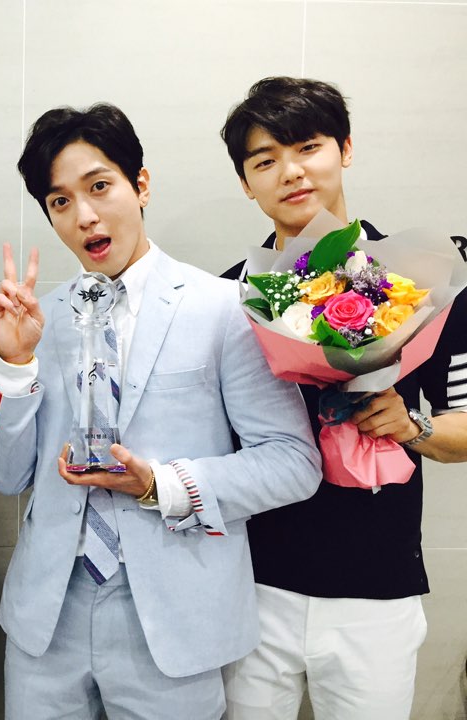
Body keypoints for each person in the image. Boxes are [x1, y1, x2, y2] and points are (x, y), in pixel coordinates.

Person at [0, 102, 322, 720]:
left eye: (99, 186)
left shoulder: (223, 307)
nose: (84, 215)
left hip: (175, 616)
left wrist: (161, 484)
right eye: (59, 201)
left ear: (142, 185)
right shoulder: (34, 321)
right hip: (47, 618)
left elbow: (294, 462)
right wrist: (16, 365)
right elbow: (6, 474)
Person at [219, 76, 467, 720]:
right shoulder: (226, 296)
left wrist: (411, 426)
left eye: (308, 147)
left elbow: (464, 430)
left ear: (345, 148)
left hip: (375, 589)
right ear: (246, 183)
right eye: (265, 161)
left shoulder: (419, 277)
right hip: (252, 583)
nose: (291, 172)